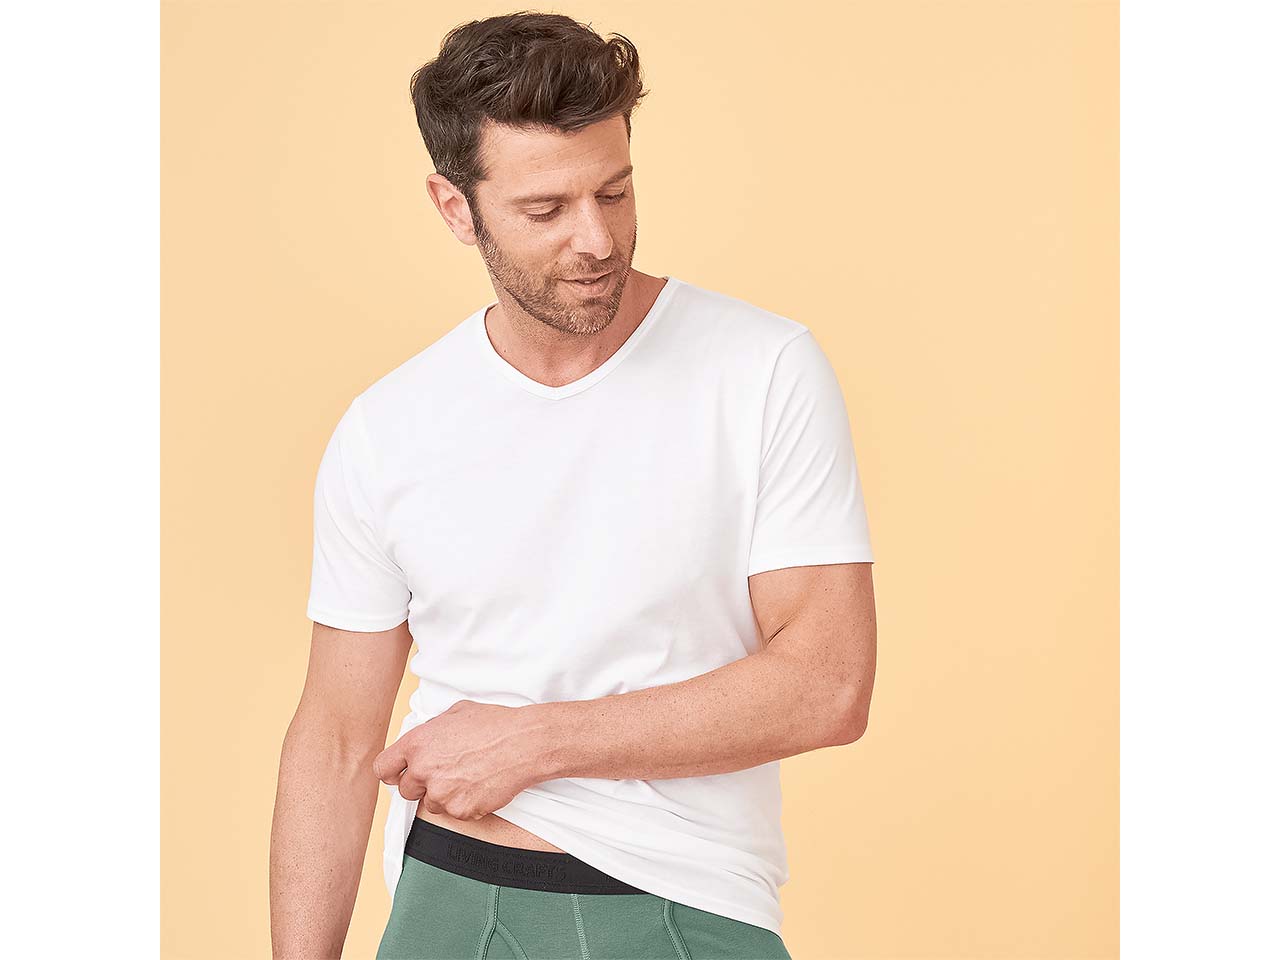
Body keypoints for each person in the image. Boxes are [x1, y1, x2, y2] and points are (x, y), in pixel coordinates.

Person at [270, 11, 878, 960]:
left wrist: (535, 742)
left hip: (682, 901)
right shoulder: (388, 428)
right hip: (447, 903)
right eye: (546, 210)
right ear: (455, 208)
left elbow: (828, 686)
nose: (596, 239)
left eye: (615, 191)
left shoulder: (760, 369)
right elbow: (337, 738)